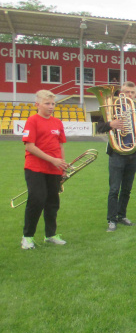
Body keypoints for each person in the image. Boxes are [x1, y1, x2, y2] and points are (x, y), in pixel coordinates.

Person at [20, 90, 69, 249]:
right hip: (35, 168)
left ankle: (50, 235)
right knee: (36, 200)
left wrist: (62, 165)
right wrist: (53, 160)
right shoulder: (32, 121)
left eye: (53, 104)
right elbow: (30, 146)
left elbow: (60, 145)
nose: (51, 106)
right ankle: (27, 237)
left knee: (52, 203)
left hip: (54, 169)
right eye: (47, 103)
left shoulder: (57, 122)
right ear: (37, 104)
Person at [96, 81, 136, 232]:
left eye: (132, 92)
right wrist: (111, 124)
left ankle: (121, 215)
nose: (129, 95)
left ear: (135, 94)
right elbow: (99, 127)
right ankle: (111, 219)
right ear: (120, 94)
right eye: (126, 92)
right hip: (117, 154)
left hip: (133, 154)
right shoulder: (111, 110)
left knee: (127, 189)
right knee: (114, 189)